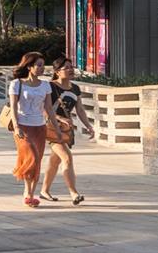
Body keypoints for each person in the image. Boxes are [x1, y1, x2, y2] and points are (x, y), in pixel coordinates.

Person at [8, 51, 63, 208]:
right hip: (23, 127)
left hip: (39, 127)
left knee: (37, 160)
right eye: (38, 65)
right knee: (30, 157)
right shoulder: (16, 84)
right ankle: (29, 192)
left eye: (43, 65)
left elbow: (49, 109)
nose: (42, 68)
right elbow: (13, 107)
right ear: (29, 66)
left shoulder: (45, 85)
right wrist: (16, 126)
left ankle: (30, 193)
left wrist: (57, 128)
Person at [40, 56, 94, 205]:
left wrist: (88, 126)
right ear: (57, 71)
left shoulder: (75, 88)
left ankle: (44, 191)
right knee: (67, 157)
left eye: (72, 67)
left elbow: (80, 109)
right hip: (52, 128)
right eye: (67, 68)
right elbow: (44, 108)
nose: (71, 70)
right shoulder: (50, 87)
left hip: (66, 130)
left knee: (55, 161)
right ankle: (74, 193)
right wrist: (59, 118)